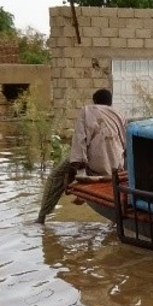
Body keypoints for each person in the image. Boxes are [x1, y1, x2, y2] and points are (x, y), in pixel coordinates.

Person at [36, 88, 126, 224]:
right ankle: (81, 194)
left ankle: (41, 216)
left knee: (56, 175)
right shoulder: (119, 115)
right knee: (76, 162)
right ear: (110, 103)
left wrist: (80, 169)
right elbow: (124, 142)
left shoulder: (87, 111)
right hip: (114, 165)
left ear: (94, 101)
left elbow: (79, 140)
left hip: (94, 162)